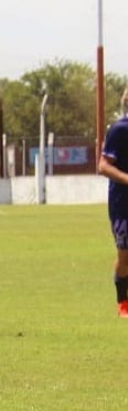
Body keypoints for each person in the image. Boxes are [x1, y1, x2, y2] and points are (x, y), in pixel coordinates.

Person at [98, 87, 128, 318]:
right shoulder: (119, 129)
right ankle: (122, 303)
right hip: (123, 204)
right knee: (125, 256)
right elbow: (103, 165)